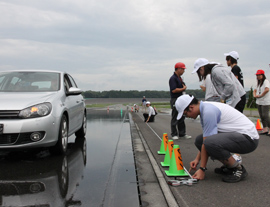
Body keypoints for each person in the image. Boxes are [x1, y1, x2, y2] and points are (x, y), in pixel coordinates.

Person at [174, 94, 259, 183]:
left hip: (249, 139)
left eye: (185, 113)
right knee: (199, 141)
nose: (187, 116)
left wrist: (202, 169)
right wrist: (197, 159)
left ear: (191, 107)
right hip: (240, 136)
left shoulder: (208, 112)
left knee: (210, 143)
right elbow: (204, 140)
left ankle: (238, 169)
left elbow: (207, 142)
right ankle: (229, 166)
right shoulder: (204, 108)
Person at [169, 62, 191, 140]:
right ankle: (174, 134)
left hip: (181, 99)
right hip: (175, 99)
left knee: (182, 116)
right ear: (178, 69)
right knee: (175, 116)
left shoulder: (179, 78)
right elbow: (174, 90)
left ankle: (182, 133)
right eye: (183, 69)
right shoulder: (173, 78)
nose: (184, 71)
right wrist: (183, 89)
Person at [253, 69, 270, 135]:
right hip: (259, 101)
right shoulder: (258, 83)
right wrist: (255, 95)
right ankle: (265, 129)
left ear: (263, 75)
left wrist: (260, 95)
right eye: (257, 75)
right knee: (261, 116)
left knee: (265, 115)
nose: (258, 76)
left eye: (259, 75)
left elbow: (267, 89)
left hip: (265, 101)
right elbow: (254, 90)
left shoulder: (266, 81)